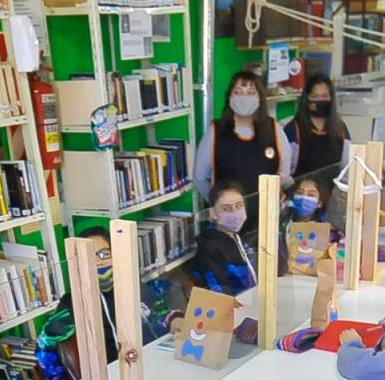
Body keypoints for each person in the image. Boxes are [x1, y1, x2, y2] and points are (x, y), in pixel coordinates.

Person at [40, 227, 185, 363]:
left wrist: (175, 320)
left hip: (151, 361)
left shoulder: (130, 284)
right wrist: (56, 377)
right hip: (114, 375)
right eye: (89, 257)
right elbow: (45, 342)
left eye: (104, 254)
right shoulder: (73, 302)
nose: (98, 261)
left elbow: (159, 310)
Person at [194, 71, 293, 238]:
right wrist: (221, 206)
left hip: (266, 219)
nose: (244, 97)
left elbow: (284, 173)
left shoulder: (273, 128)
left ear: (260, 98)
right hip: (227, 225)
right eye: (238, 92)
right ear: (229, 97)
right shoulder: (215, 131)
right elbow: (200, 177)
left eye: (250, 92)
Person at [283, 73, 351, 180]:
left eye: (324, 96)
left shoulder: (341, 129)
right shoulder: (292, 129)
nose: (320, 100)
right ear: (307, 99)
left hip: (332, 192)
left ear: (331, 98)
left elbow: (347, 167)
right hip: (300, 192)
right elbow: (285, 172)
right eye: (315, 96)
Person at [195, 181, 258, 295]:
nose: (235, 213)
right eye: (227, 209)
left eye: (239, 206)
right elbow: (220, 293)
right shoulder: (209, 247)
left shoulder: (236, 236)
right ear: (213, 213)